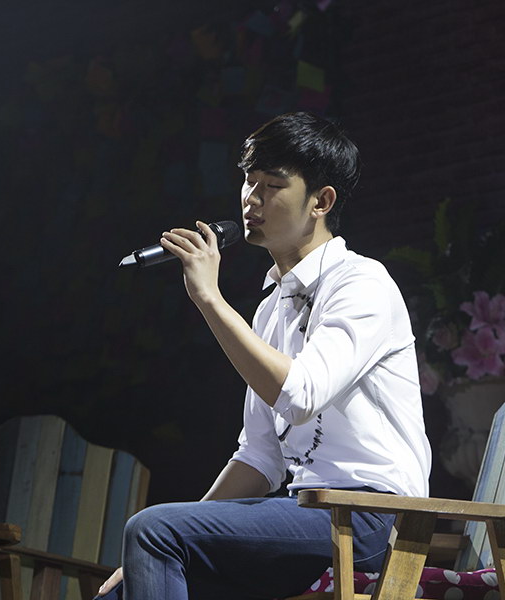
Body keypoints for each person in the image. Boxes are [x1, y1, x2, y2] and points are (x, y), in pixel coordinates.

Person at [96, 112, 431, 600]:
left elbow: (300, 396)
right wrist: (172, 536)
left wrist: (209, 298)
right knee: (124, 583)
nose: (251, 199)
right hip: (309, 515)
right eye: (248, 182)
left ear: (321, 202)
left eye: (272, 185)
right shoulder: (272, 307)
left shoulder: (362, 283)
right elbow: (260, 456)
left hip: (372, 520)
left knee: (154, 531)